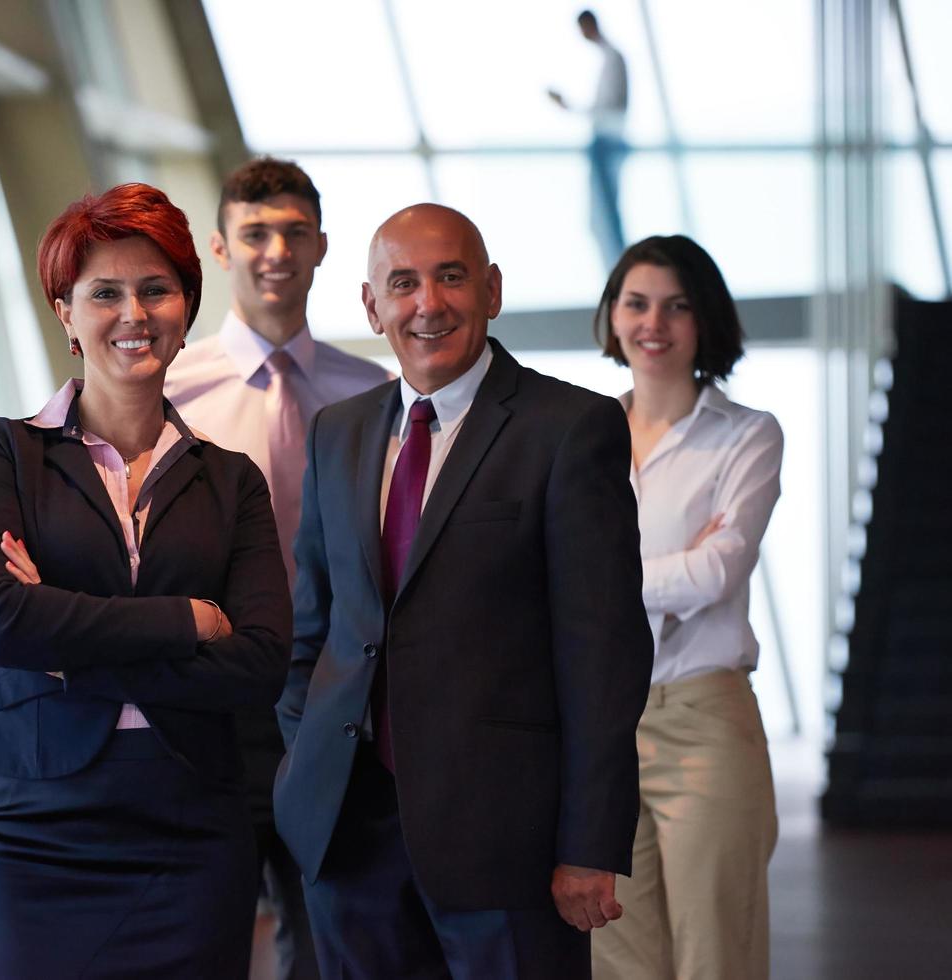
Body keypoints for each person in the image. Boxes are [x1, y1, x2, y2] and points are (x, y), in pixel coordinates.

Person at [273, 204, 653, 979]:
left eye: (450, 277)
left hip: (506, 845)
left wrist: (586, 844)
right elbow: (314, 627)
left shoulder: (569, 427)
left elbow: (603, 655)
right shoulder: (337, 432)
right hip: (349, 838)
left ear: (492, 290)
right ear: (370, 305)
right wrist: (300, 766)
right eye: (403, 283)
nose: (428, 303)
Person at [0, 182, 290, 979]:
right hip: (29, 831)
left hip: (192, 824)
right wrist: (187, 621)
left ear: (185, 305)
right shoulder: (5, 452)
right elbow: (1, 626)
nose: (133, 314)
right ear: (65, 313)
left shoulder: (232, 481)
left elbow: (262, 662)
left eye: (155, 290)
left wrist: (67, 649)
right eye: (104, 293)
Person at [163, 156, 389, 979]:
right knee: (204, 928)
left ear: (322, 246)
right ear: (220, 250)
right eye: (255, 233)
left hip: (335, 698)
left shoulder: (371, 394)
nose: (276, 250)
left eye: (294, 232)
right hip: (210, 693)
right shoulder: (168, 394)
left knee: (326, 930)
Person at [588, 235, 782, 980]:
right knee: (615, 957)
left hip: (702, 721)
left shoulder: (745, 435)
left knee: (714, 957)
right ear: (612, 317)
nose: (653, 323)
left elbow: (716, 571)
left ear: (704, 321)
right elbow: (542, 576)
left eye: (676, 306)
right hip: (600, 723)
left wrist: (600, 579)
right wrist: (665, 571)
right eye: (635, 303)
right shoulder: (581, 436)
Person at [549, 9, 629, 268]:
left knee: (604, 218)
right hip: (606, 140)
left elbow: (610, 107)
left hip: (606, 141)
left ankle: (618, 273)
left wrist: (570, 107)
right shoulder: (610, 58)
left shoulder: (613, 58)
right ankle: (617, 273)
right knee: (600, 218)